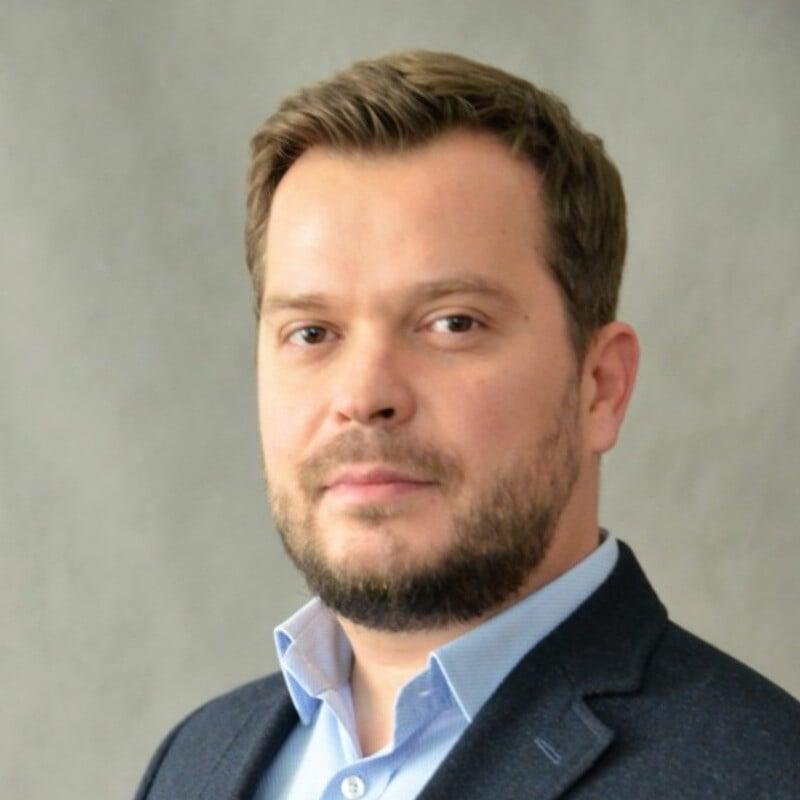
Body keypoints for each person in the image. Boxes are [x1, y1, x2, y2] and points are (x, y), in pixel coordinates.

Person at [134, 50, 800, 800]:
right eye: (312, 332)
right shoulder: (195, 761)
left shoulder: (762, 775)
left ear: (600, 388)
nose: (364, 395)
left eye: (453, 323)